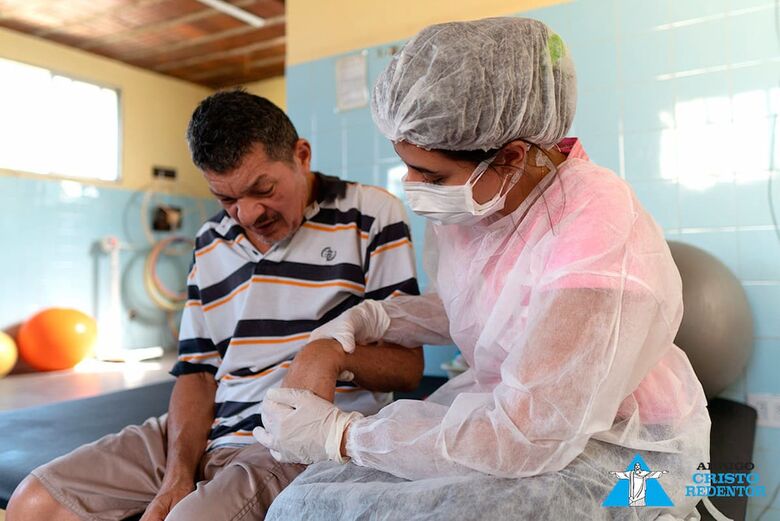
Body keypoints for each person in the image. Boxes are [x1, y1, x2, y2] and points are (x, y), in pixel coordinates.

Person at [255, 18, 711, 520]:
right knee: (307, 500)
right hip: (514, 421)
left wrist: (341, 435)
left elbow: (526, 434)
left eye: (429, 174)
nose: (412, 184)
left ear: (511, 156)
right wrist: (375, 319)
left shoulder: (596, 227)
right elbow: (475, 306)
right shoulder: (484, 201)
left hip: (626, 453)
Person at [6, 90, 423, 521]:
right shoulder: (210, 241)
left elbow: (409, 367)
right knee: (34, 503)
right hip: (212, 429)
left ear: (301, 155)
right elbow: (198, 373)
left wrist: (332, 356)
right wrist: (177, 476)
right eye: (226, 199)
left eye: (263, 188)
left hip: (298, 437)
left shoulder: (371, 214)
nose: (246, 214)